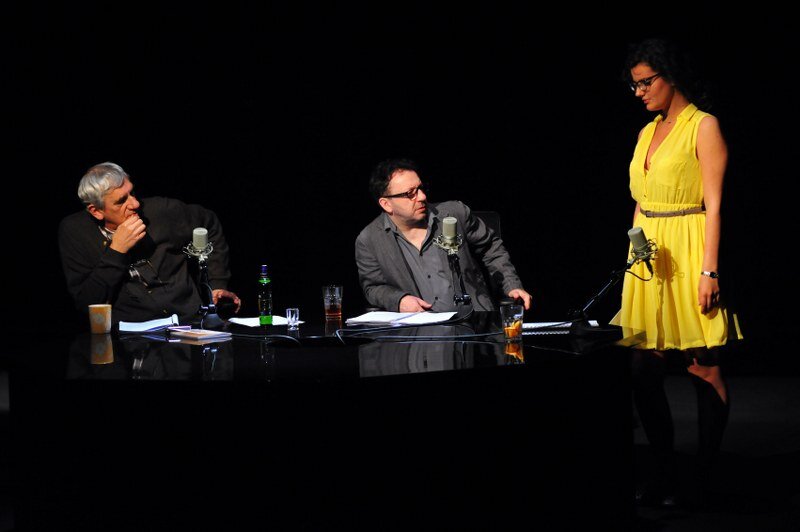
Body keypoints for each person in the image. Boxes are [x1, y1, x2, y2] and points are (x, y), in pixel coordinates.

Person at [611, 38, 742, 507]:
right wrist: (634, 255)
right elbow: (640, 200)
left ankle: (703, 476)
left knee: (702, 365)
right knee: (642, 369)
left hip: (690, 251)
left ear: (671, 76)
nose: (639, 92)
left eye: (646, 82)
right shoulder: (646, 132)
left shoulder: (703, 126)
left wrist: (710, 271)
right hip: (649, 257)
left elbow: (715, 206)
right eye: (634, 85)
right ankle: (664, 469)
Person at [59, 162, 241, 325]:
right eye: (121, 201)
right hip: (129, 337)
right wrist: (116, 250)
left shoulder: (161, 212)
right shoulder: (76, 231)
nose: (135, 204)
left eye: (132, 193)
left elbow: (208, 222)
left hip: (189, 322)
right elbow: (87, 302)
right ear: (96, 211)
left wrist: (217, 283)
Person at [355, 158, 531, 313]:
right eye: (410, 194)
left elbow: (491, 248)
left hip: (475, 322)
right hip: (421, 330)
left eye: (421, 188)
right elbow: (373, 287)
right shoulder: (369, 240)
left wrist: (511, 285)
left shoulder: (455, 214)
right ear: (386, 204)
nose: (422, 196)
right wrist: (399, 300)